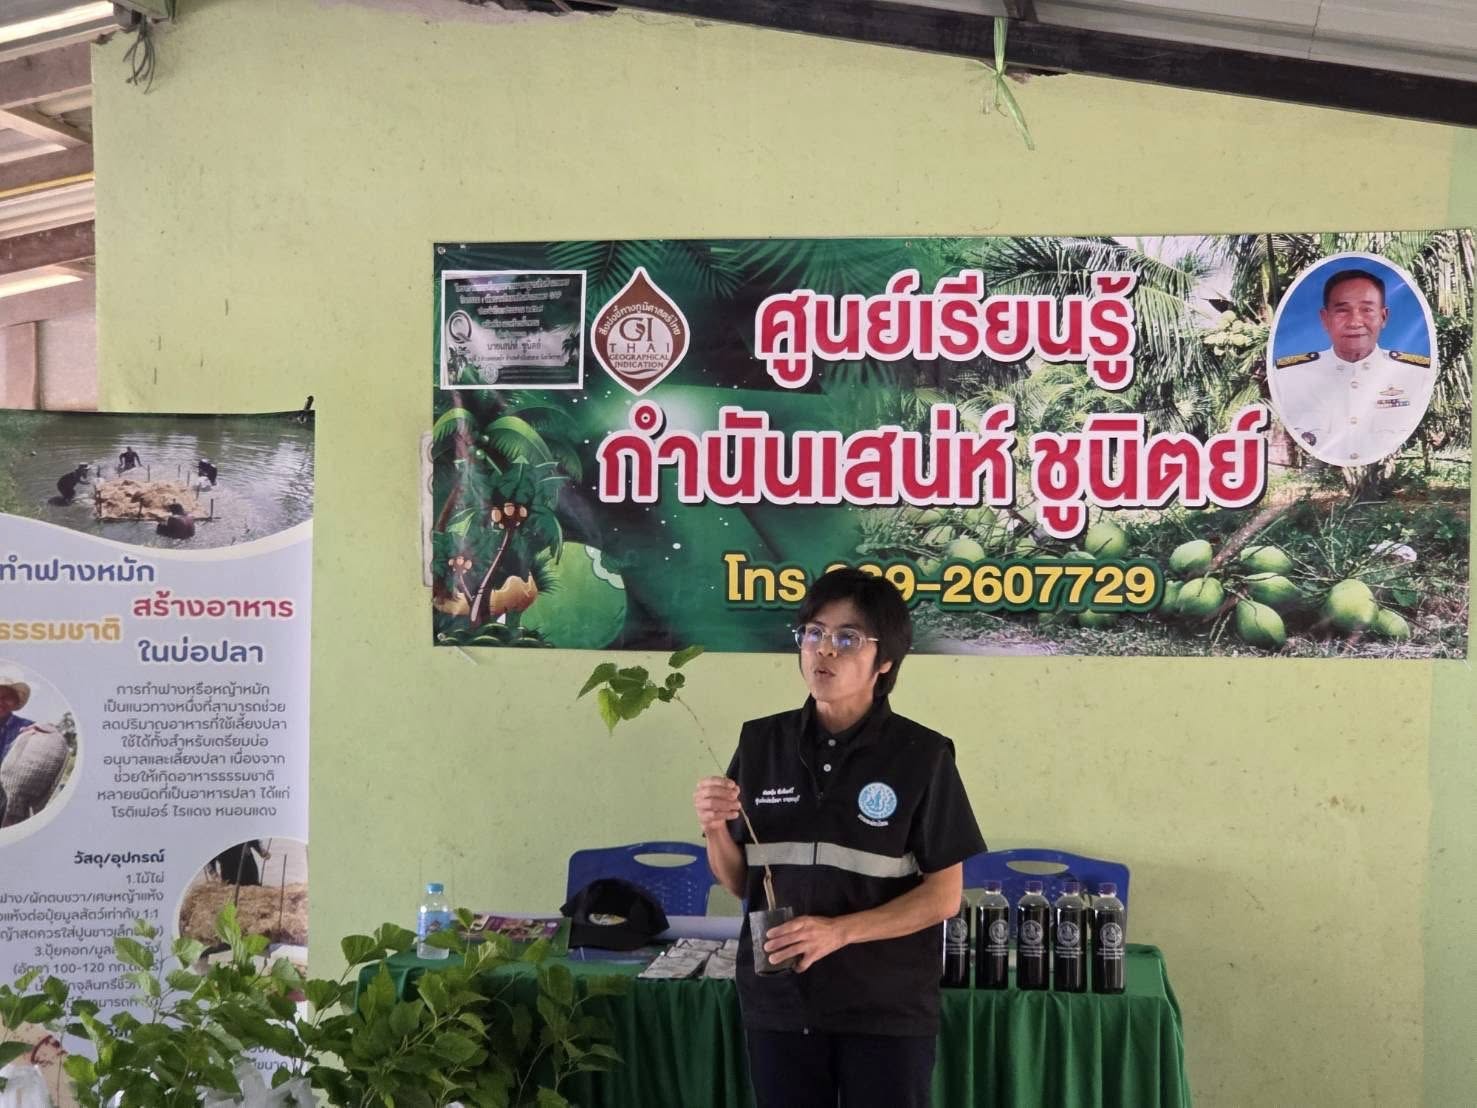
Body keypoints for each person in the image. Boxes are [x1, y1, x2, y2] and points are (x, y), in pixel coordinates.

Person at [693, 568, 985, 1108]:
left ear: (885, 660)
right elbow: (740, 882)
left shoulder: (922, 755)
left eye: (847, 638)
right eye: (813, 633)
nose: (823, 650)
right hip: (779, 1002)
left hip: (884, 1007)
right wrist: (715, 828)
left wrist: (838, 933)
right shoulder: (761, 742)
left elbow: (944, 896)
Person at [1270, 267, 1436, 466]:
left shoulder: (1416, 375)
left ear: (1383, 317)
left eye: (1367, 310)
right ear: (1325, 319)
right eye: (1342, 310)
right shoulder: (1289, 377)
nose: (1355, 322)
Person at [0, 674, 36, 827]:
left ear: (15, 702)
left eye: (7, 697)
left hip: (13, 798)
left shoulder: (30, 728)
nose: (0, 701)